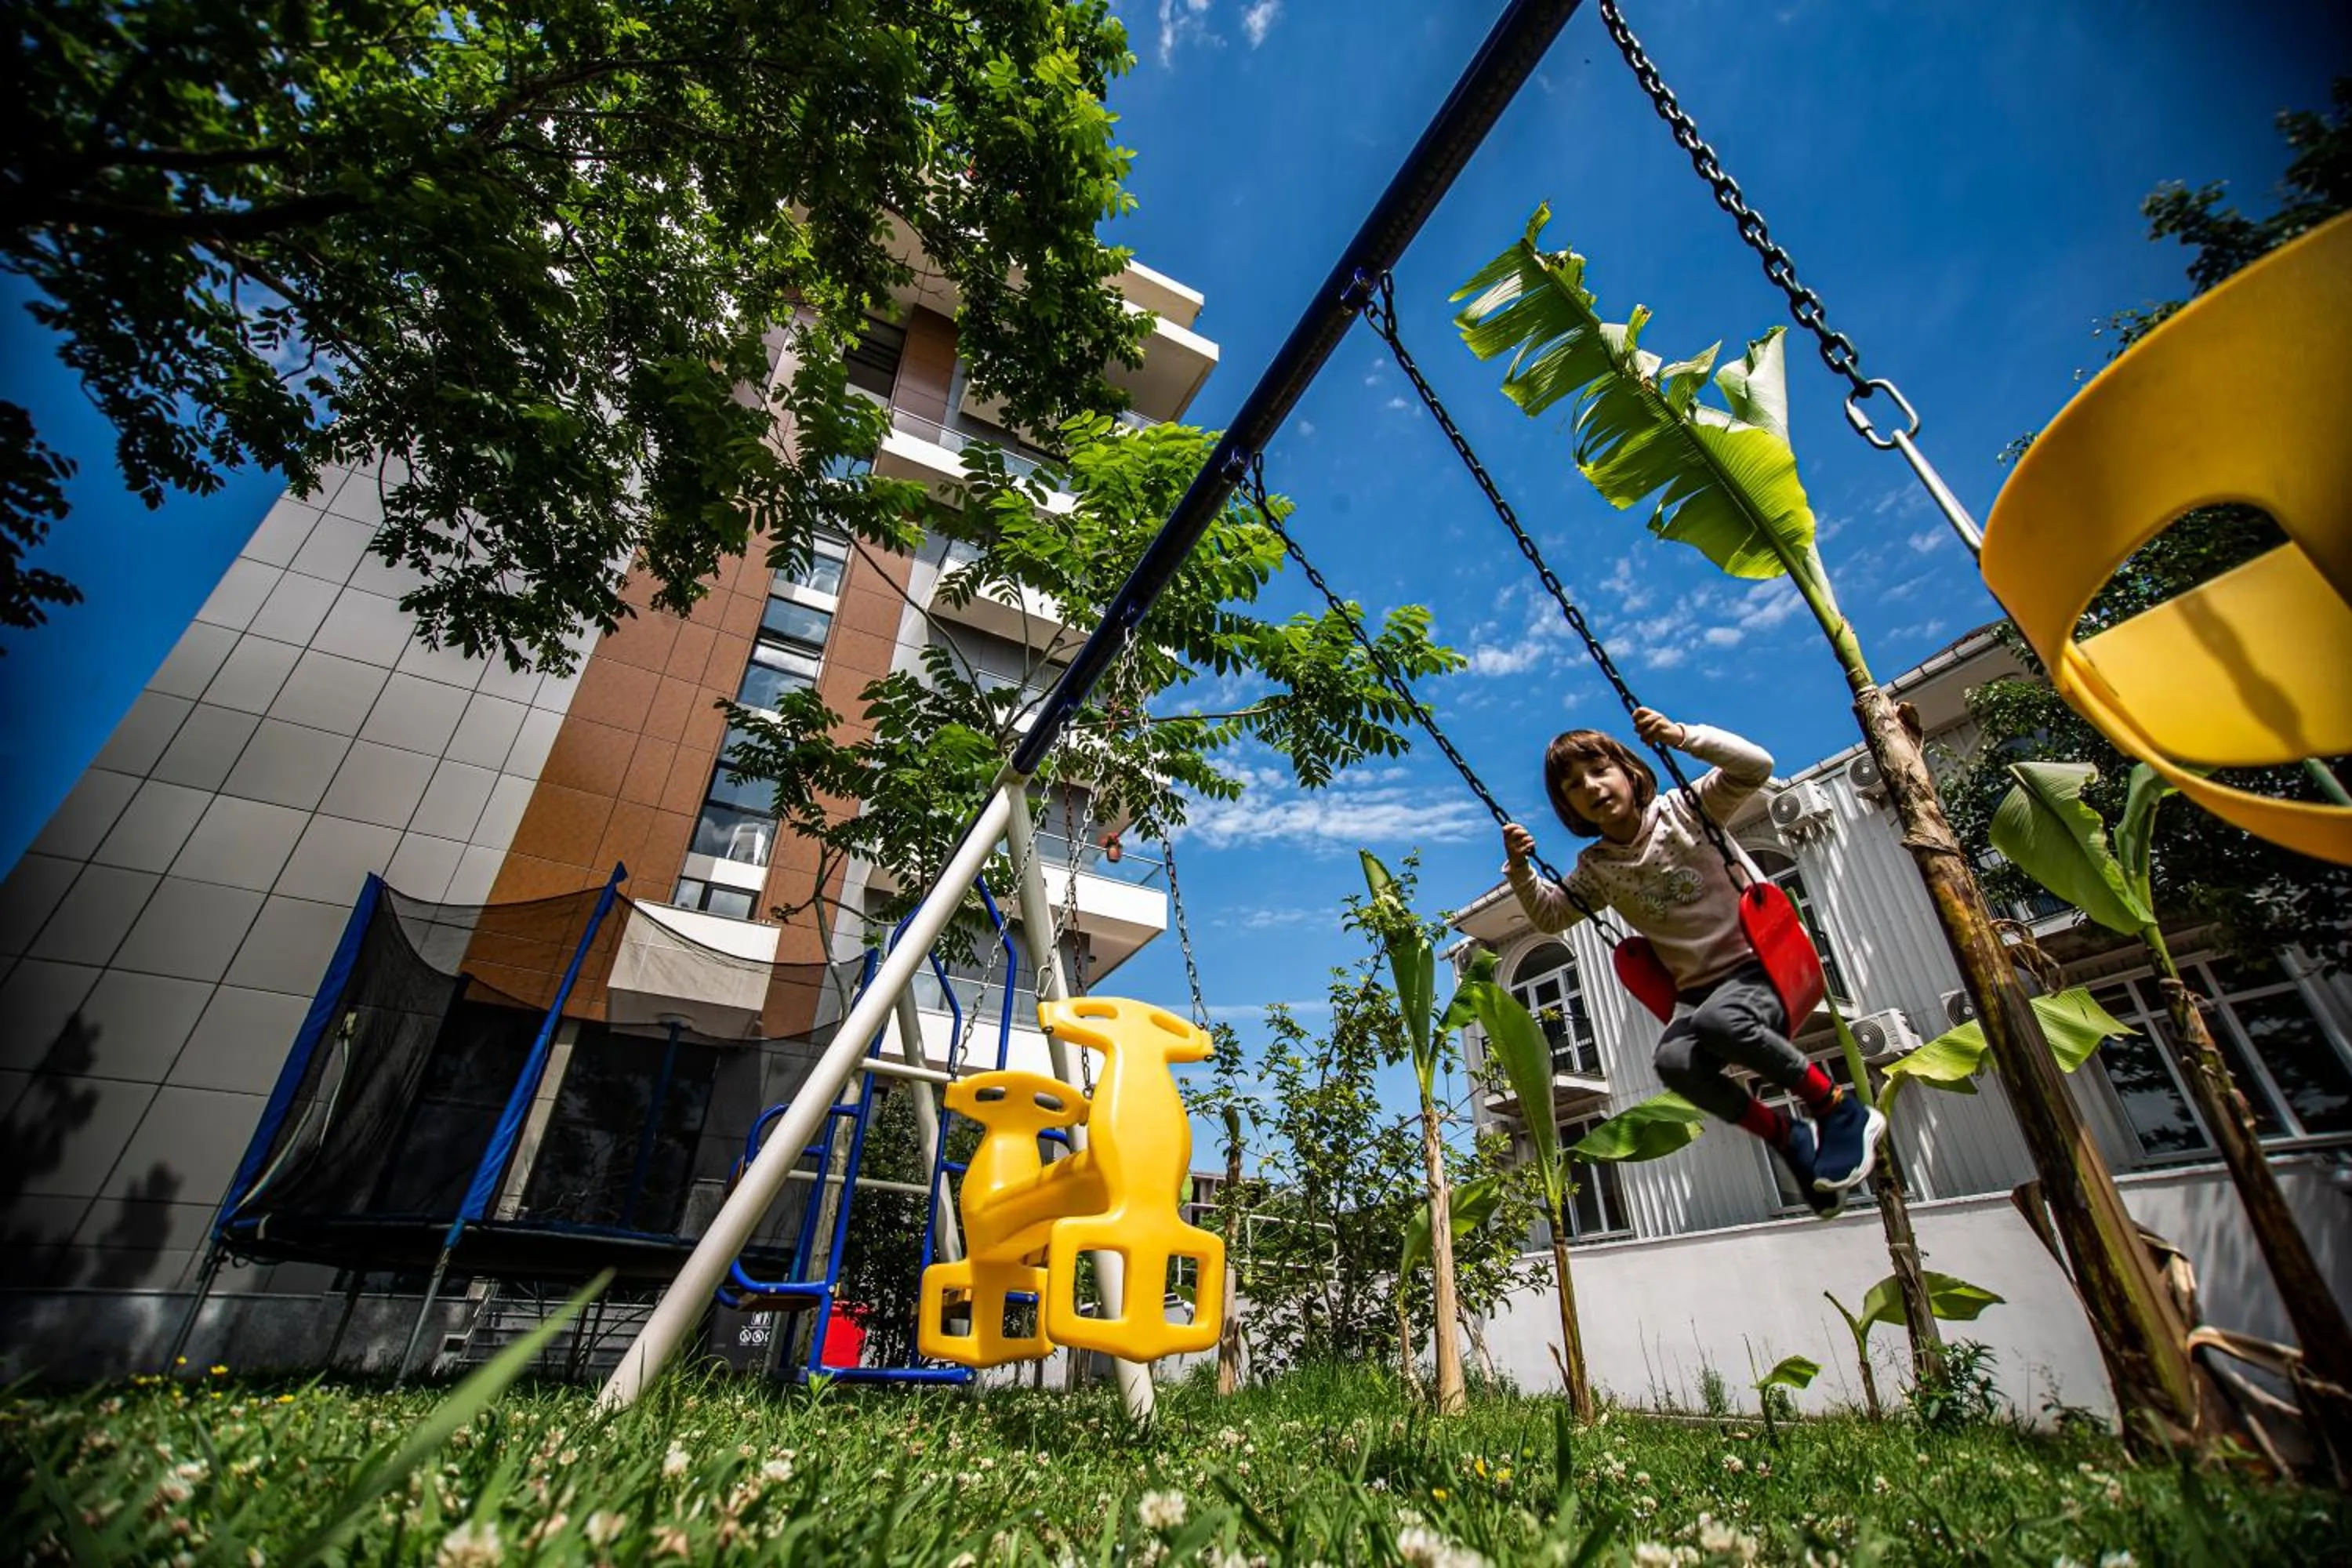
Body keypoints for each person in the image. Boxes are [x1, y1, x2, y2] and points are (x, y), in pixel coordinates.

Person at [1500, 708, 1884, 1217]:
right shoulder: (1597, 867)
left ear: (1629, 771)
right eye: (1572, 785)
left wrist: (1683, 736)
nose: (1590, 786)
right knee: (1673, 1061)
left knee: (1721, 1020)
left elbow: (1756, 766)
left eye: (1598, 769)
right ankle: (1787, 1137)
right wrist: (1522, 870)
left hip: (1762, 966)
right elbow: (1551, 917)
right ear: (1568, 807)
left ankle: (1838, 1109)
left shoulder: (1686, 809)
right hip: (1698, 996)